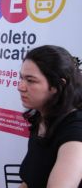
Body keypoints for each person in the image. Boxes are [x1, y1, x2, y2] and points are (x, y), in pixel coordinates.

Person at [17, 45, 82, 188]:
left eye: (31, 80)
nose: (20, 87)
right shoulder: (41, 118)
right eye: (21, 78)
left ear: (57, 85)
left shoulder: (76, 132)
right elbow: (28, 182)